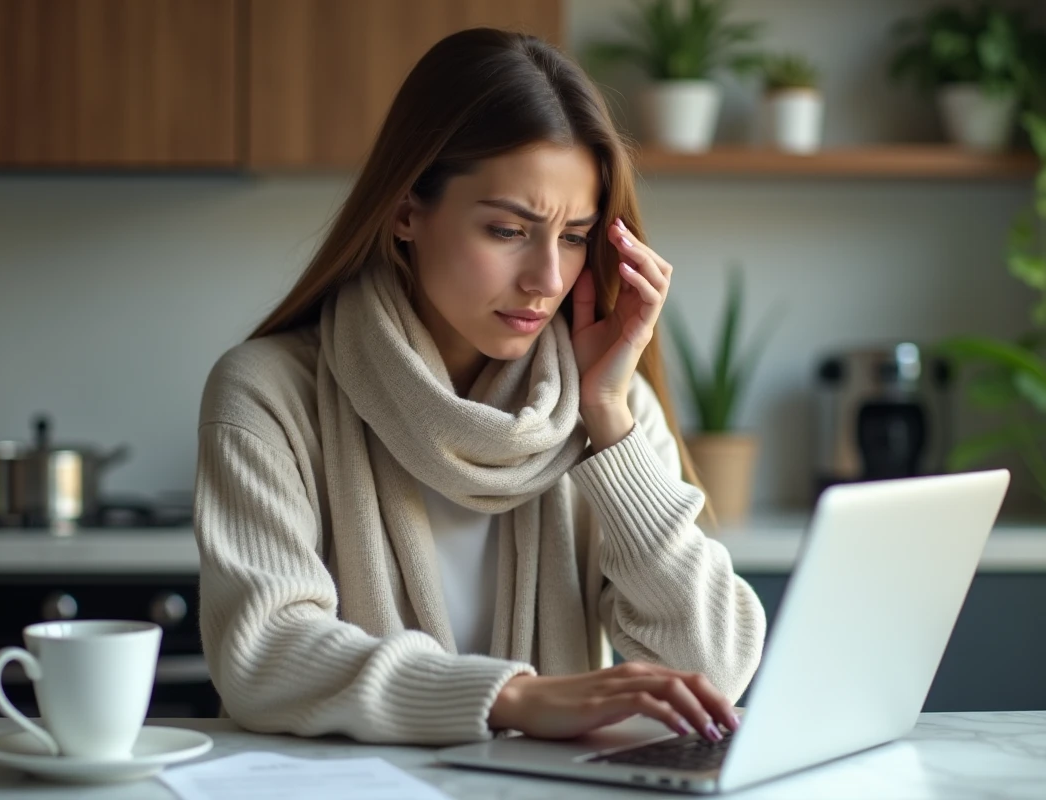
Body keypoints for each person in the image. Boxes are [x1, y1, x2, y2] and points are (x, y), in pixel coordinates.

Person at [194, 27, 765, 746]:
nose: (547, 281)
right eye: (506, 230)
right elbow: (264, 653)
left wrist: (611, 420)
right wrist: (513, 698)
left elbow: (710, 670)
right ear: (407, 211)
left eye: (572, 236)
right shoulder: (267, 395)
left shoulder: (609, 408)